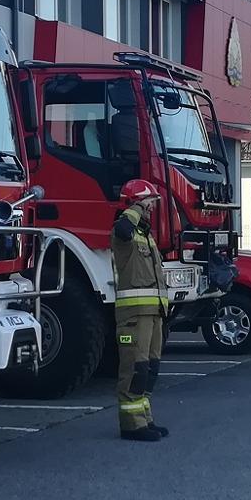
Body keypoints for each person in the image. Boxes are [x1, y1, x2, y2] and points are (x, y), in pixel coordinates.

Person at [111, 179, 170, 441]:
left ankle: (144, 419)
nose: (152, 207)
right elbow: (124, 228)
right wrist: (135, 206)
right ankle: (131, 425)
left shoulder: (146, 234)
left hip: (153, 312)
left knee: (149, 368)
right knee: (135, 368)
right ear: (135, 202)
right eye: (149, 202)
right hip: (134, 315)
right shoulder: (123, 230)